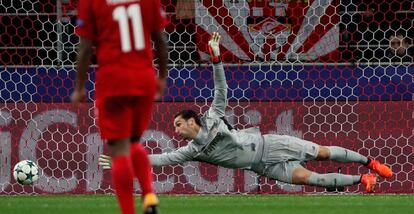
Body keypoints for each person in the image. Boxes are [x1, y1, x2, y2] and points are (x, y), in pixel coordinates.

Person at [100, 32, 393, 194]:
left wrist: (216, 59)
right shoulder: (191, 150)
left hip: (271, 143)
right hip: (263, 166)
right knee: (310, 178)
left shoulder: (213, 116)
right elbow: (160, 159)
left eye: (178, 125)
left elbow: (221, 90)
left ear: (192, 120)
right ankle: (362, 182)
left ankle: (371, 163)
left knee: (323, 153)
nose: (175, 131)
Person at [72, 0, 168, 214]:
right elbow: (160, 40)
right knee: (134, 142)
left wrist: (80, 86)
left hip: (114, 81)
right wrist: (163, 76)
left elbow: (85, 48)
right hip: (144, 78)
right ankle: (149, 195)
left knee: (119, 150)